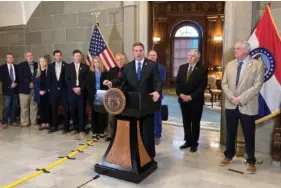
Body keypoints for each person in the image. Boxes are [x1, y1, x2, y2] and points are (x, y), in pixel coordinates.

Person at [103, 42, 162, 159]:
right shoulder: (128, 66)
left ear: (143, 51)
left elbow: (158, 81)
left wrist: (157, 91)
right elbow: (121, 78)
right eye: (136, 51)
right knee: (135, 130)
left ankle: (149, 155)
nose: (138, 53)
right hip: (133, 103)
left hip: (147, 102)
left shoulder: (151, 65)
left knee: (147, 130)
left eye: (140, 50)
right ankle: (136, 154)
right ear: (133, 52)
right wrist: (111, 82)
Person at [220, 40, 264, 174]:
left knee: (249, 134)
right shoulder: (230, 64)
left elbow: (257, 86)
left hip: (247, 105)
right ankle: (228, 155)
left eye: (237, 49)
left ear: (246, 51)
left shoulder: (257, 65)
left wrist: (240, 99)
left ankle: (251, 160)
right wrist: (232, 98)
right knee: (230, 132)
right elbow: (224, 83)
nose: (235, 51)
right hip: (230, 104)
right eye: (235, 49)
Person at [175, 49, 207, 153]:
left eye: (192, 56)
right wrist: (180, 94)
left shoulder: (202, 69)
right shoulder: (182, 67)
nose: (190, 58)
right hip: (183, 100)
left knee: (195, 122)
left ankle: (194, 143)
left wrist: (191, 96)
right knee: (186, 121)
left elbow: (202, 86)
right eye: (189, 55)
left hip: (196, 101)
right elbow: (177, 83)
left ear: (197, 57)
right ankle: (188, 141)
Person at [65, 50, 89, 136]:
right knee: (73, 110)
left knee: (81, 110)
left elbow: (86, 80)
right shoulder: (68, 67)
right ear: (73, 57)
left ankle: (81, 129)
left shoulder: (85, 67)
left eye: (79, 56)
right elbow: (67, 79)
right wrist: (74, 88)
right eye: (76, 56)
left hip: (81, 93)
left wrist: (80, 88)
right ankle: (75, 128)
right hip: (72, 93)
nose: (78, 57)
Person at [47, 50, 70, 134]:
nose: (58, 57)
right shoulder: (50, 66)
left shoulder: (67, 65)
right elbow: (48, 79)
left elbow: (68, 79)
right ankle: (54, 126)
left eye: (60, 55)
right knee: (54, 109)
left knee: (66, 109)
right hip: (53, 91)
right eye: (56, 55)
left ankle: (66, 127)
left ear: (61, 56)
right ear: (54, 56)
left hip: (64, 91)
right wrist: (50, 89)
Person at [86, 56, 108, 140]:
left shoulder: (105, 73)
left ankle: (101, 131)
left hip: (102, 95)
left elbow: (106, 85)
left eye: (97, 62)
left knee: (102, 114)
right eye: (94, 62)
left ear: (100, 63)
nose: (96, 64)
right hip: (93, 96)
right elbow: (88, 85)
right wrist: (94, 93)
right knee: (94, 113)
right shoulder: (90, 73)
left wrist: (102, 93)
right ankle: (95, 131)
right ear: (92, 64)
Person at [105, 53, 126, 142]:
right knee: (111, 116)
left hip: (125, 96)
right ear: (115, 61)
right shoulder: (111, 70)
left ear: (124, 60)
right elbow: (108, 83)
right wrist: (107, 83)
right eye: (118, 60)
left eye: (121, 59)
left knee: (124, 116)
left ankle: (122, 134)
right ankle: (110, 134)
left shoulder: (128, 69)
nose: (120, 61)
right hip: (113, 97)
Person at [147, 50, 166, 145]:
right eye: (150, 55)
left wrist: (155, 92)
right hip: (145, 96)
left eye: (154, 55)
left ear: (156, 57)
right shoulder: (144, 66)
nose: (152, 57)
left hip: (156, 95)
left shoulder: (161, 68)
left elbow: (161, 82)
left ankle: (157, 135)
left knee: (157, 116)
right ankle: (148, 134)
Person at [18, 52, 38, 127]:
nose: (30, 57)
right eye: (28, 56)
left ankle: (33, 122)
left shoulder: (37, 64)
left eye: (31, 55)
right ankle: (24, 122)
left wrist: (33, 83)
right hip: (24, 89)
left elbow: (39, 75)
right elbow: (20, 76)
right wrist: (29, 83)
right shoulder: (21, 65)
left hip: (34, 89)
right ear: (25, 57)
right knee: (24, 107)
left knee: (34, 106)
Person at [0, 53, 19, 128]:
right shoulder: (2, 67)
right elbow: (1, 78)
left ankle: (13, 121)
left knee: (14, 106)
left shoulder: (16, 67)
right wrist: (10, 84)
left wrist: (16, 83)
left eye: (11, 57)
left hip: (15, 90)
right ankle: (4, 122)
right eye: (9, 58)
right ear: (6, 59)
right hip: (7, 89)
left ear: (13, 58)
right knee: (7, 106)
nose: (10, 59)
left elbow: (18, 77)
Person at [34, 57, 51, 130]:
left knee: (47, 108)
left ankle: (48, 123)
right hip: (40, 93)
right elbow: (35, 83)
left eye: (44, 61)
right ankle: (43, 123)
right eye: (41, 61)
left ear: (46, 62)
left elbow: (50, 83)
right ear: (39, 63)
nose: (43, 63)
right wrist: (39, 91)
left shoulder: (49, 71)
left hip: (47, 93)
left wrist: (45, 91)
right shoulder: (37, 72)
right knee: (41, 108)